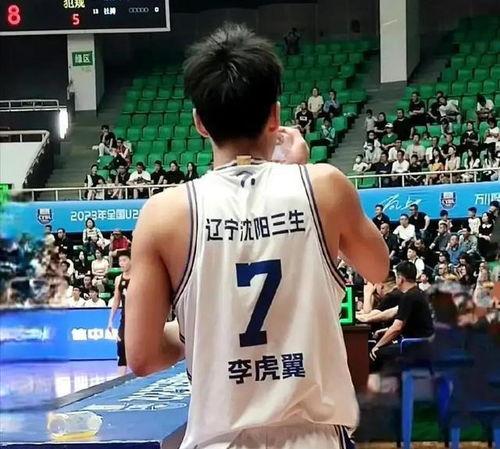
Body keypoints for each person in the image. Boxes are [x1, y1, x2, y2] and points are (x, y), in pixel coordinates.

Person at [126, 24, 389, 449]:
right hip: (315, 439)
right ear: (275, 116)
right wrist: (296, 173)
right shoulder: (323, 186)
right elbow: (379, 267)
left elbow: (141, 356)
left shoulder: (163, 214)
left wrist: (205, 326)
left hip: (218, 440)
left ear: (200, 123)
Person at [369, 262, 434, 376]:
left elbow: (397, 327)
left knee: (376, 354)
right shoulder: (417, 293)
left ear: (400, 279)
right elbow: (409, 323)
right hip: (423, 343)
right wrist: (385, 331)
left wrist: (377, 346)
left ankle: (384, 386)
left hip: (414, 346)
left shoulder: (408, 296)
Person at [108, 252, 132, 376]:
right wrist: (110, 320)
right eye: (120, 261)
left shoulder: (138, 276)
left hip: (139, 318)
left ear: (131, 261)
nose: (122, 263)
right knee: (121, 345)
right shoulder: (118, 279)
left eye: (124, 260)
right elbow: (116, 300)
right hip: (125, 317)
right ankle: (121, 378)